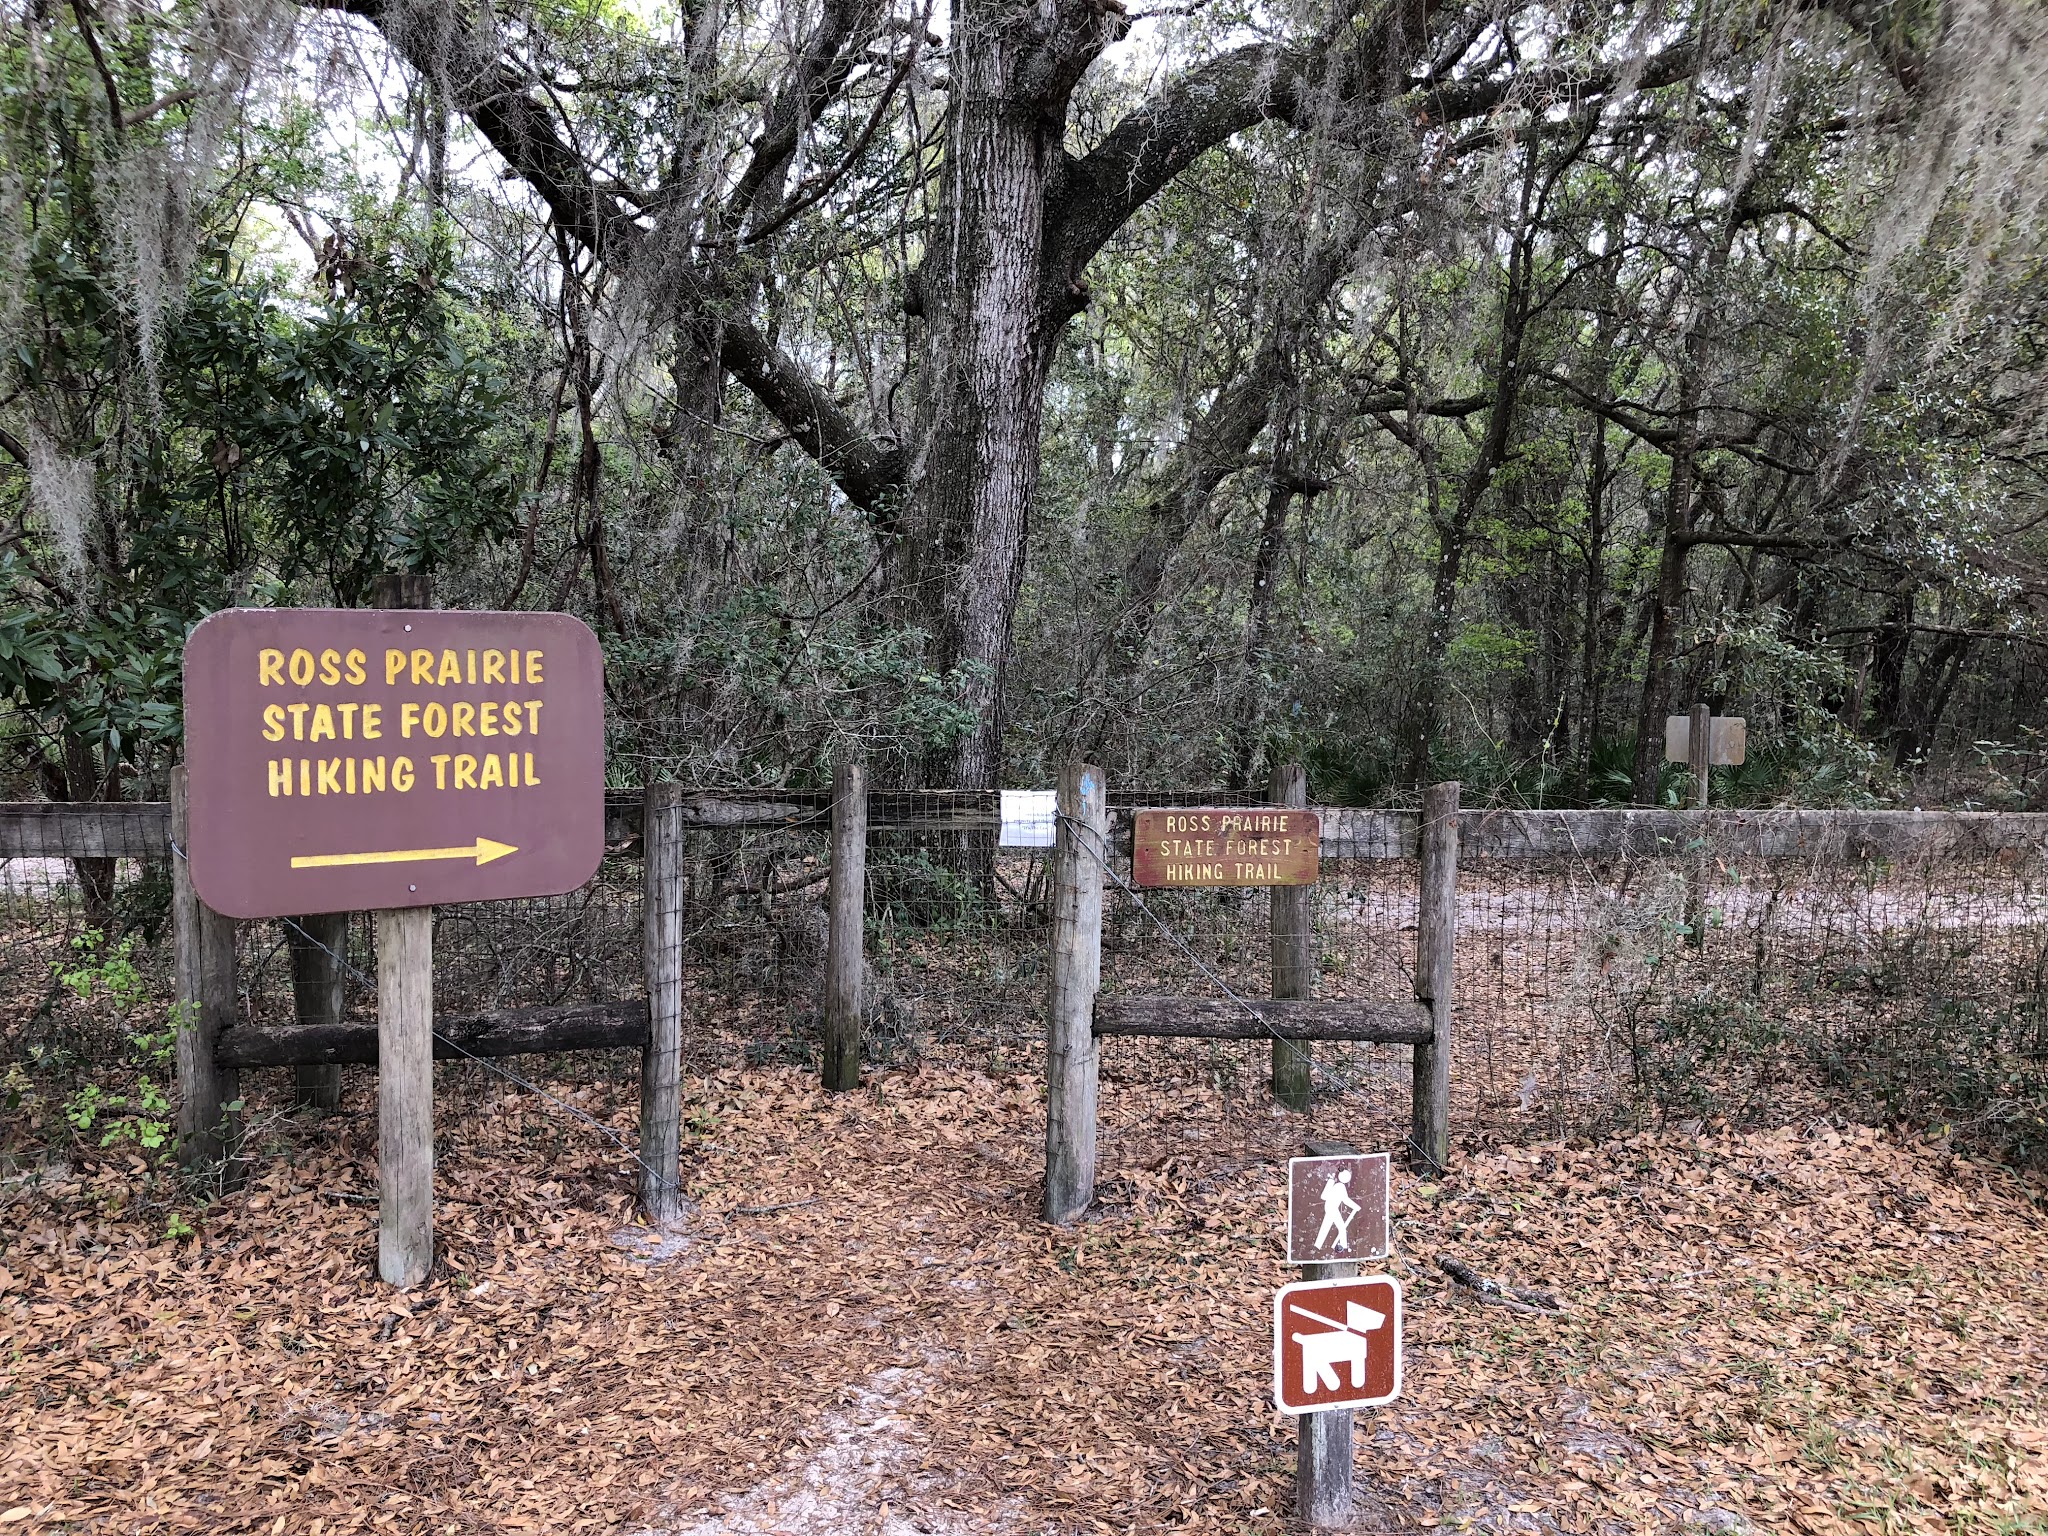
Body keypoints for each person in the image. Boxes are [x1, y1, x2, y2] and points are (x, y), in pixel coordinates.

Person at [1314, 1168, 1360, 1252]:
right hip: (1332, 1208)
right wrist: (1356, 1206)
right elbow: (1345, 1200)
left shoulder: (1337, 1185)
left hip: (1329, 1207)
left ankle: (1317, 1246)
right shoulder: (1340, 1186)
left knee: (1326, 1226)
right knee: (1341, 1227)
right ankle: (1343, 1247)